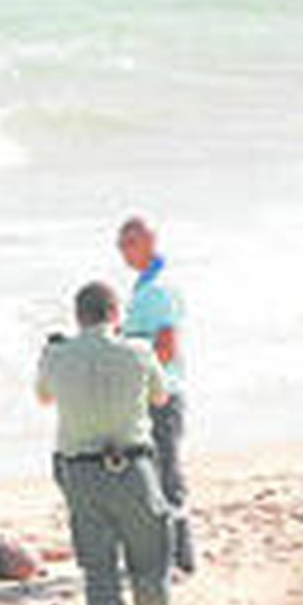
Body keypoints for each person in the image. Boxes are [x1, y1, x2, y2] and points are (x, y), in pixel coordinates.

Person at [37, 281, 191, 605]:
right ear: (116, 314)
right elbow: (160, 397)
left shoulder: (57, 354)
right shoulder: (138, 352)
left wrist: (55, 352)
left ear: (78, 316)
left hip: (81, 472)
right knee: (150, 568)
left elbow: (43, 396)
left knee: (99, 570)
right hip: (134, 467)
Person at [117, 215, 196, 575]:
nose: (124, 252)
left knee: (166, 475)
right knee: (150, 474)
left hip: (161, 395)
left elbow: (165, 346)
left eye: (129, 243)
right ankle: (162, 554)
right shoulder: (145, 286)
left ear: (150, 241)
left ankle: (180, 556)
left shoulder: (158, 289)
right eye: (120, 245)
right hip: (150, 393)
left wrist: (135, 366)